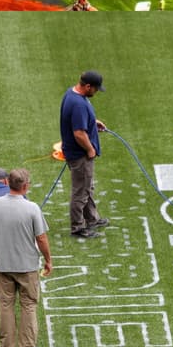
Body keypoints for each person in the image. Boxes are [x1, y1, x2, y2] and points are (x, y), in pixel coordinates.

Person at [0, 168, 52, 347]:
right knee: (28, 306)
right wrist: (48, 260)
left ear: (7, 183)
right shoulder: (32, 208)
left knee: (6, 305)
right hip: (27, 267)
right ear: (25, 185)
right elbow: (42, 238)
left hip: (4, 266)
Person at [60, 70, 109, 239]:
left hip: (76, 152)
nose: (96, 92)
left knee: (87, 187)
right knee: (81, 191)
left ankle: (92, 218)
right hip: (79, 155)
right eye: (95, 89)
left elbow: (76, 119)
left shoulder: (71, 94)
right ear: (88, 86)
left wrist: (92, 122)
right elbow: (79, 133)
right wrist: (90, 149)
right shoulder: (79, 103)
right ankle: (78, 227)